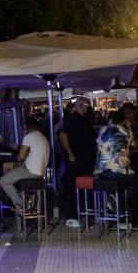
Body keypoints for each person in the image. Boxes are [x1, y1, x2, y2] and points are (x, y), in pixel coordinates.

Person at [94, 111, 138, 226]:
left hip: (101, 172)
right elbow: (135, 145)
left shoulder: (102, 130)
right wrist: (130, 128)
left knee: (130, 182)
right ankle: (120, 202)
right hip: (118, 172)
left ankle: (113, 201)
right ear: (123, 121)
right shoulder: (124, 131)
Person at [59, 97, 98, 227]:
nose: (87, 107)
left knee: (82, 186)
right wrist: (70, 154)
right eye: (86, 105)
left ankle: (85, 213)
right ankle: (71, 215)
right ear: (79, 106)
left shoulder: (84, 120)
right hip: (76, 160)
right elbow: (63, 135)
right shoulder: (73, 119)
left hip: (85, 159)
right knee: (72, 187)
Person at [0, 117, 50, 214]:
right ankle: (12, 193)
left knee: (3, 181)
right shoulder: (42, 137)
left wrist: (16, 148)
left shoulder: (29, 137)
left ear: (26, 128)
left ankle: (21, 205)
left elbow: (21, 157)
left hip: (31, 170)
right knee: (7, 165)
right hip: (38, 169)